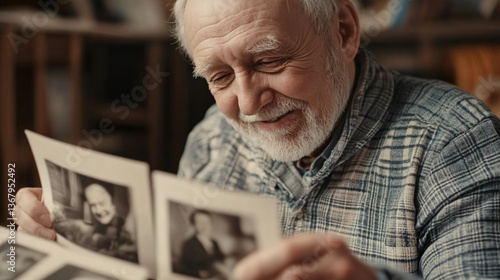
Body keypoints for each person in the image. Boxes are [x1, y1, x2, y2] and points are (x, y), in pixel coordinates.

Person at [15, 0, 500, 279]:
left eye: (269, 62)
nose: (247, 105)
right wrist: (73, 248)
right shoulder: (211, 140)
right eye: (220, 77)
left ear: (344, 30)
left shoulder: (455, 142)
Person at [178, 210, 230, 279]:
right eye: (201, 223)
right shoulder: (188, 244)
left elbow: (221, 258)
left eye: (207, 222)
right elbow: (186, 268)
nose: (205, 225)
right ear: (194, 225)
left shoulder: (214, 242)